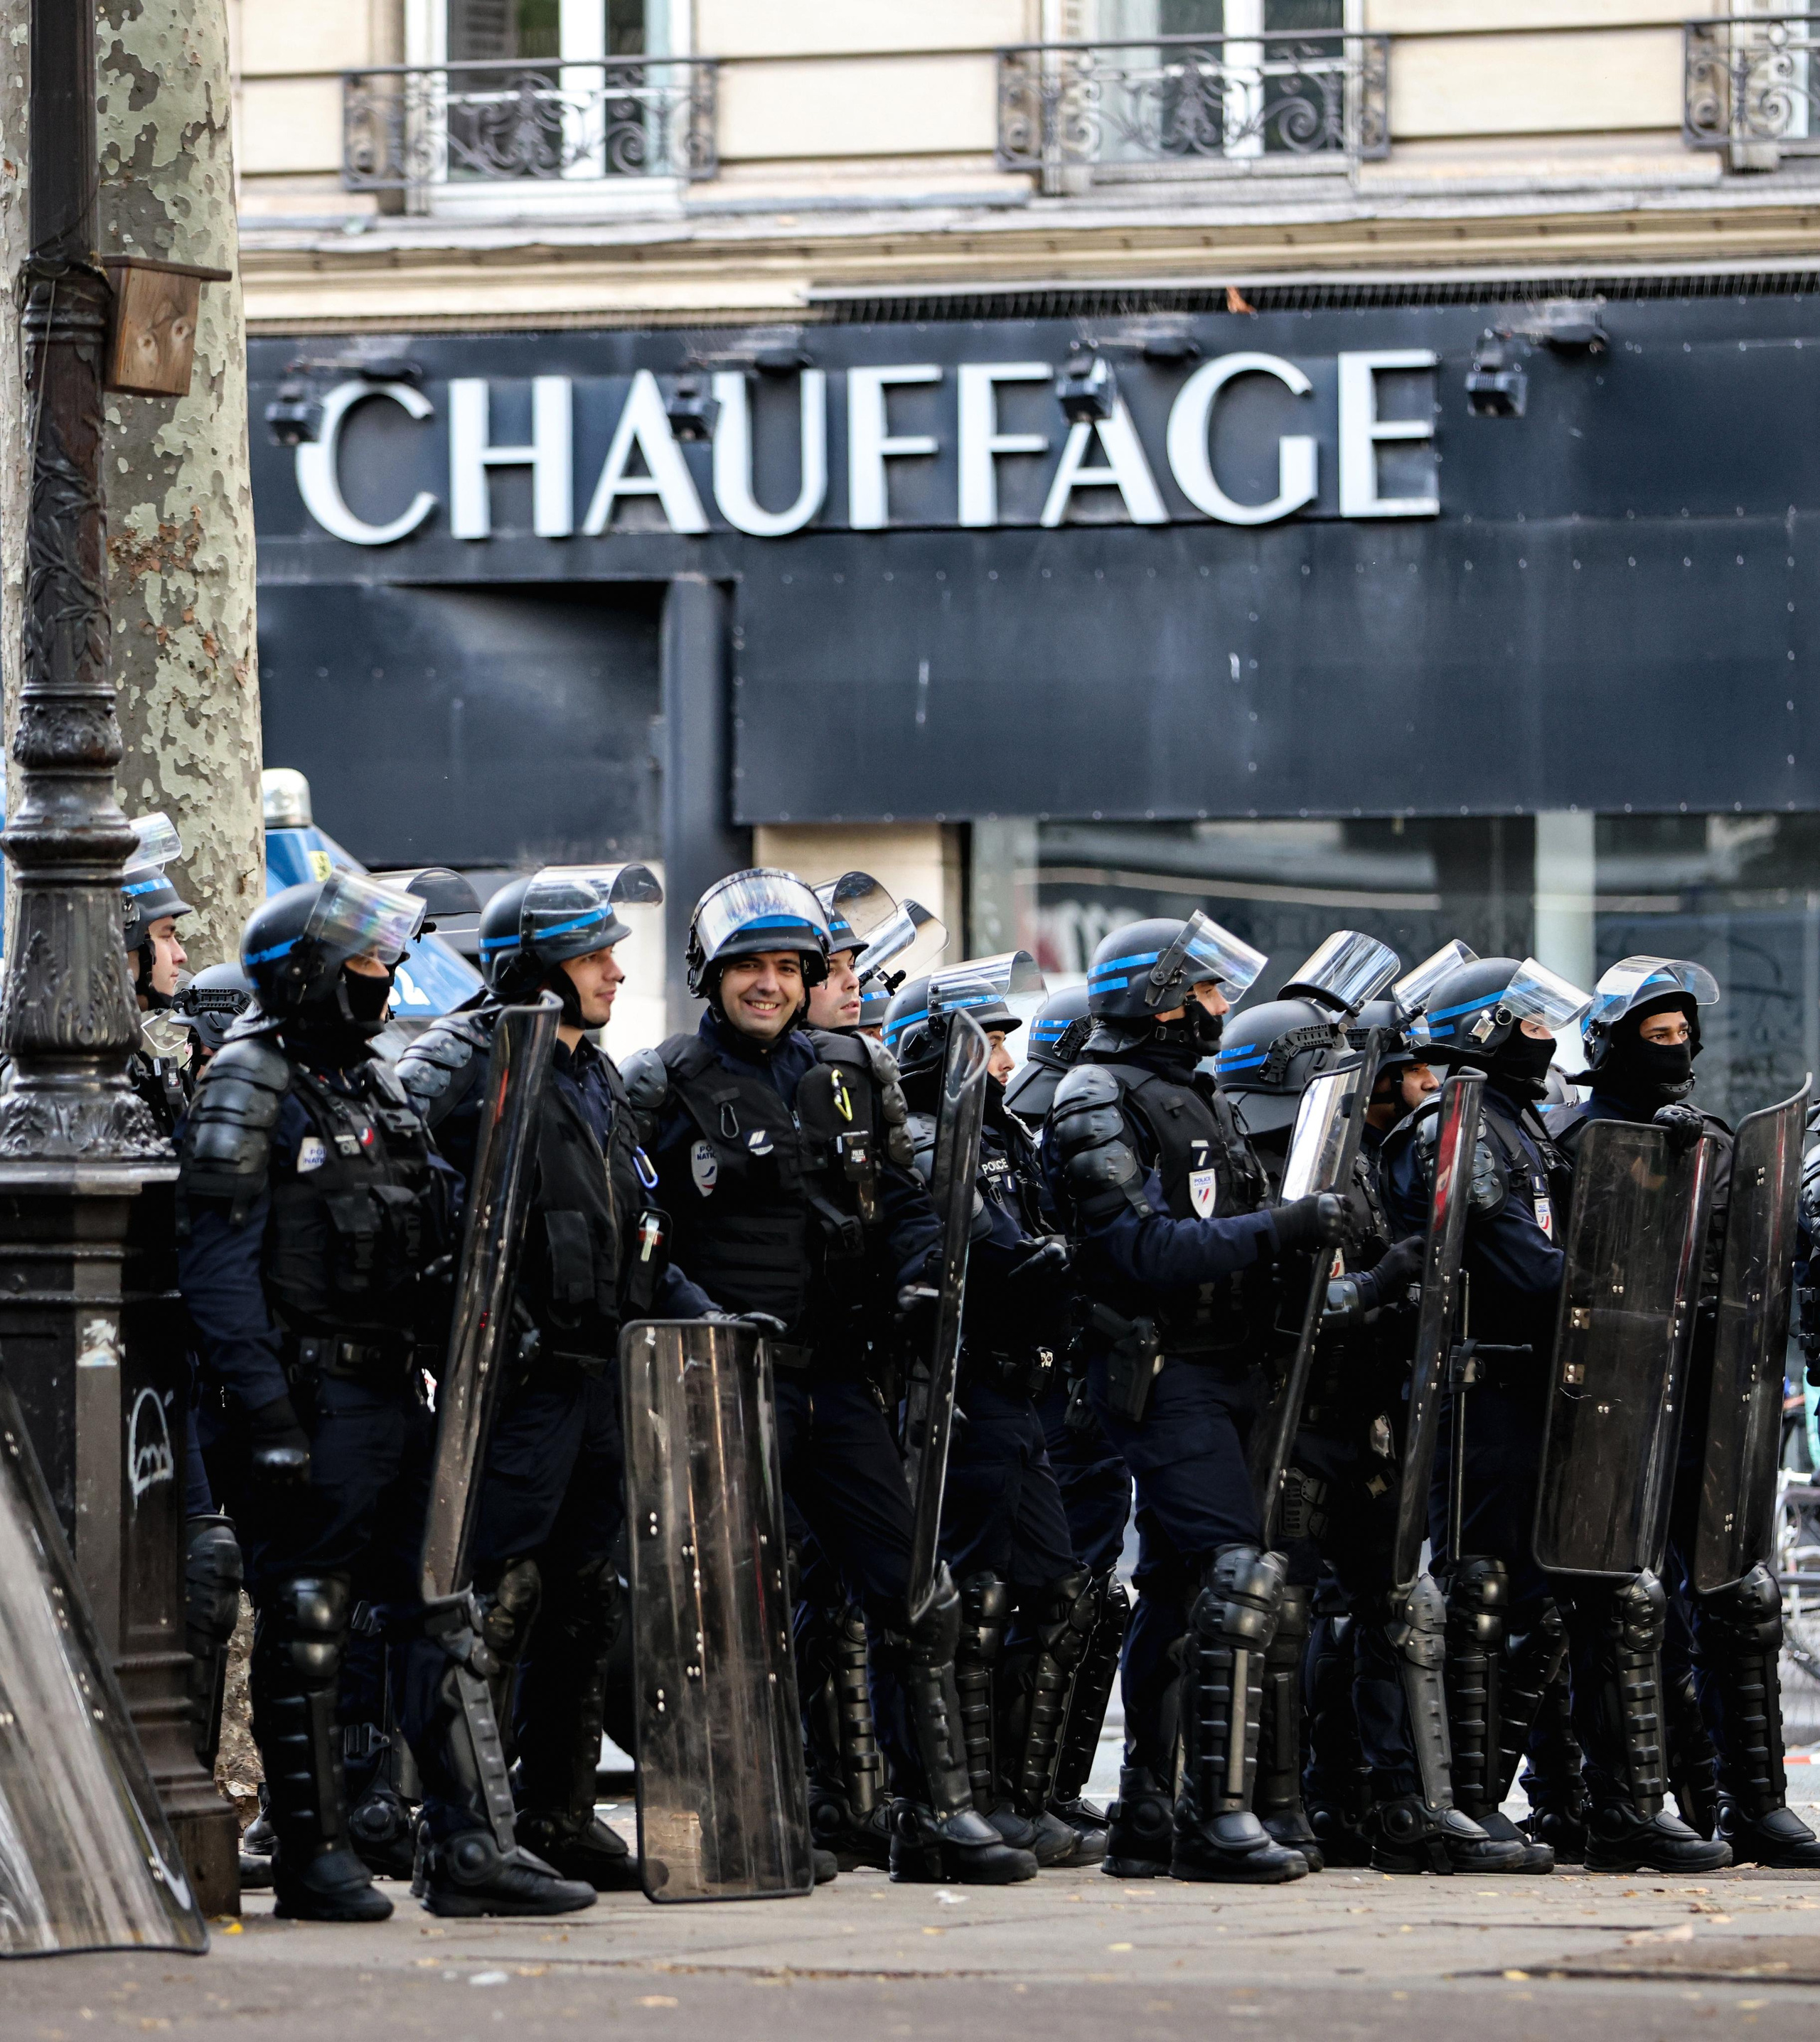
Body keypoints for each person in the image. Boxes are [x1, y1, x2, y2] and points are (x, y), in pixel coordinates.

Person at [178, 871, 596, 1923]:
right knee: (310, 1613)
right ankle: (313, 1854)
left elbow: (440, 1229)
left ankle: (469, 1850)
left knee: (438, 1613)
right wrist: (263, 1412)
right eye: (369, 962)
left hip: (393, 1397)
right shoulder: (248, 1081)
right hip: (307, 1401)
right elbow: (218, 1268)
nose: (389, 976)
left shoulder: (374, 1085)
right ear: (309, 972)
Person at [622, 870, 1036, 1885]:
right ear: (710, 977)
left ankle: (932, 1815)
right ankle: (755, 1812)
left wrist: (919, 1279)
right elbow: (632, 1234)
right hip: (726, 1382)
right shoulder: (659, 1081)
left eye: (785, 968)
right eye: (749, 969)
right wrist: (698, 1315)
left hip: (841, 1377)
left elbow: (904, 1198)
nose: (768, 986)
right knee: (735, 1615)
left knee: (911, 1594)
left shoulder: (856, 1065)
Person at [399, 866, 720, 1892]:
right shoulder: (461, 1057)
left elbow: (640, 1233)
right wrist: (478, 1327)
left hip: (599, 1380)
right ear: (535, 966)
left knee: (586, 1597)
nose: (616, 972)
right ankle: (464, 1829)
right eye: (591, 956)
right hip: (518, 1382)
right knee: (487, 1598)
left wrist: (705, 1317)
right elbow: (414, 1208)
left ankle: (557, 1811)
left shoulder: (596, 1076)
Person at [1383, 953, 1731, 1876]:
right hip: (1487, 1401)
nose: (1547, 1040)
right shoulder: (1455, 1131)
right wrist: (1629, 1282)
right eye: (1530, 1023)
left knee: (1607, 1597)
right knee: (1493, 1605)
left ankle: (1623, 1809)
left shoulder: (1518, 1128)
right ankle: (1469, 1807)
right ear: (1491, 1032)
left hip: (1555, 1394)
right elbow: (1523, 1270)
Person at [1041, 912, 1347, 1884]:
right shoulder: (1097, 1096)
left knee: (1178, 1591)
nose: (1221, 1009)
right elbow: (1135, 1251)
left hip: (1228, 1372)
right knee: (1232, 1573)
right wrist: (1284, 1227)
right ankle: (1217, 1819)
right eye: (1207, 991)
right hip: (1159, 1373)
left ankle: (1149, 1814)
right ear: (1157, 997)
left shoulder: (1197, 1097)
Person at [1215, 978, 1525, 1875]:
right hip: (1294, 1422)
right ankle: (1289, 1801)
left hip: (1366, 1418)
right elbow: (1282, 1309)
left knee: (1398, 1606)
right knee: (1283, 1614)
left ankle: (1398, 1798)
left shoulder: (1349, 1160)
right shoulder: (1253, 1171)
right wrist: (1383, 1282)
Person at [1548, 957, 1820, 1869]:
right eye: (1656, 1037)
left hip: (1706, 1401)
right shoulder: (1569, 1140)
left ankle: (1750, 1804)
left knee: (1740, 1597)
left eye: (1682, 1036)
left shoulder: (1703, 1134)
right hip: (1609, 1416)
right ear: (1614, 1044)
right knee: (1630, 1605)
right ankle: (1634, 1805)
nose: (1676, 1050)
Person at [885, 958, 1091, 1868]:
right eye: (990, 1039)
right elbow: (990, 1251)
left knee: (1052, 1589)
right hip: (966, 1392)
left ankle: (1020, 1794)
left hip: (1021, 1388)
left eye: (1006, 1039)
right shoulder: (933, 1136)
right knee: (975, 1598)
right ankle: (963, 1796)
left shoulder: (1000, 1133)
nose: (1004, 1056)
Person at [1005, 982, 1133, 1854]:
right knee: (1058, 1592)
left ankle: (1053, 1785)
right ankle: (1030, 1790)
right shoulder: (1054, 1116)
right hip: (1060, 1392)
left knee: (1090, 1598)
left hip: (1083, 1387)